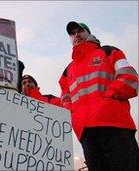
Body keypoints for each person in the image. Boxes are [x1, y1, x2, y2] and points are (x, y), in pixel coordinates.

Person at [59, 21, 139, 170]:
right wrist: (74, 113)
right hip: (86, 132)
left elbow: (130, 77)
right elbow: (65, 97)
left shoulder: (109, 51)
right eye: (72, 33)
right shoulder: (67, 70)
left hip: (115, 124)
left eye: (80, 31)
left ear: (88, 33)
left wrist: (108, 98)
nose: (77, 35)